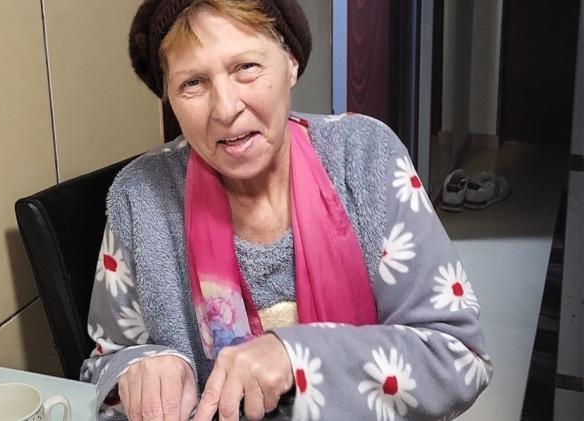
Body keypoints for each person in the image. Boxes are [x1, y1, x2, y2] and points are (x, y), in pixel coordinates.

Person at [80, 0, 493, 420]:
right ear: (169, 96)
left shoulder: (367, 157)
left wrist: (294, 357)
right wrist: (139, 367)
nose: (225, 109)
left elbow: (458, 357)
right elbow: (104, 365)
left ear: (291, 63)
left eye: (246, 67)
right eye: (192, 83)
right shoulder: (142, 196)